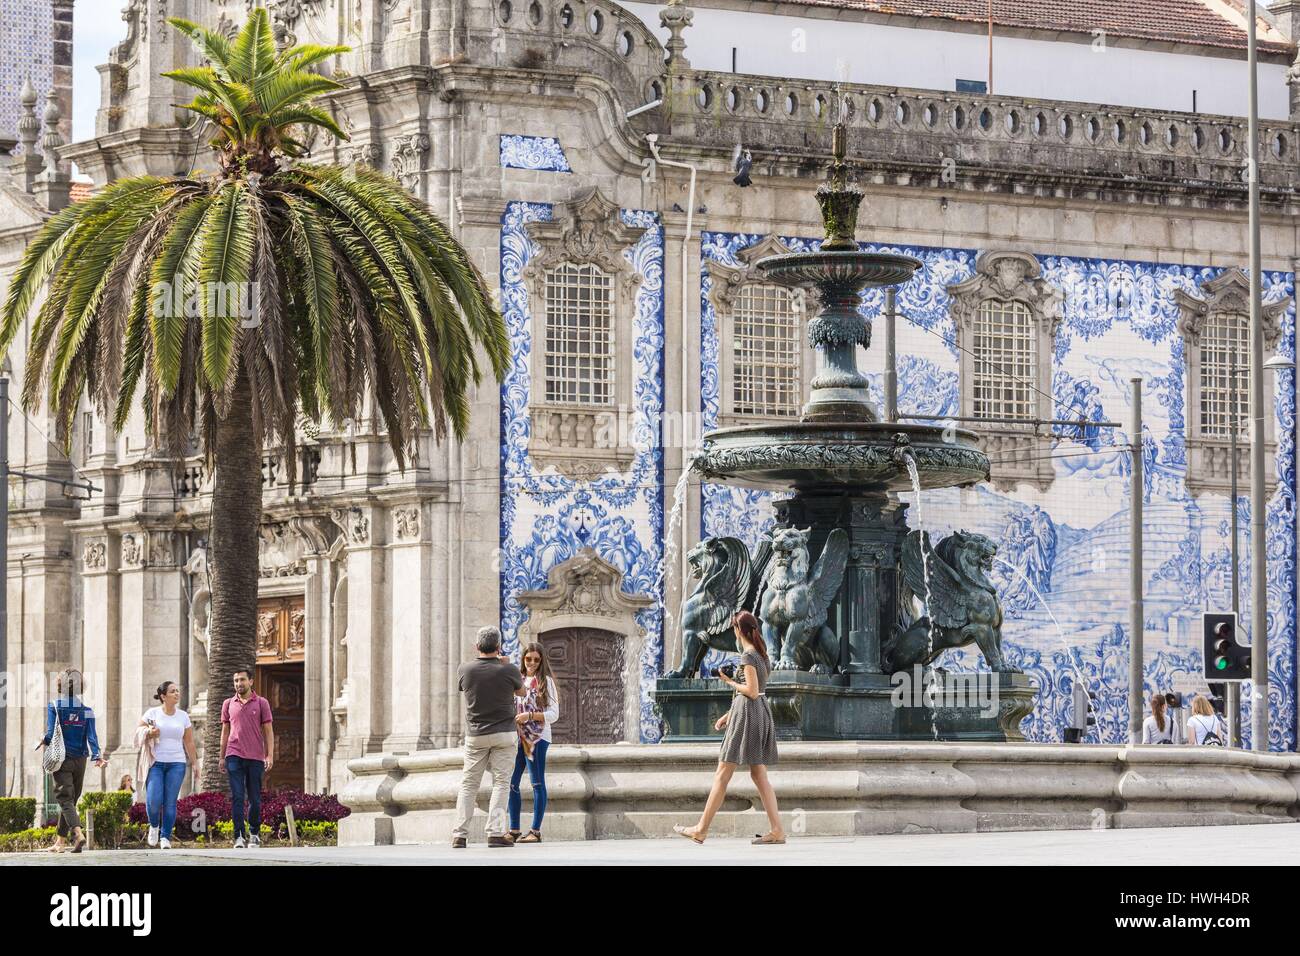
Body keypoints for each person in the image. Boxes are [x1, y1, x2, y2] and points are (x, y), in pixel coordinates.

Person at [674, 611, 784, 846]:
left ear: (737, 630)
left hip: (749, 714)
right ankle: (777, 830)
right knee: (758, 774)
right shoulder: (762, 655)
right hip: (757, 712)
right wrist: (728, 714)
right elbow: (757, 692)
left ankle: (701, 829)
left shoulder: (748, 656)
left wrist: (729, 681)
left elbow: (751, 691)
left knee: (723, 772)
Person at [452, 626, 526, 848]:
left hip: (476, 734)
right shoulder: (509, 669)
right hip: (504, 733)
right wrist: (505, 665)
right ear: (498, 646)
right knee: (501, 783)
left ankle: (459, 835)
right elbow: (521, 692)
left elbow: (464, 688)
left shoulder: (465, 669)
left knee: (468, 784)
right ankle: (495, 833)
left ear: (477, 647)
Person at [38, 669, 106, 853]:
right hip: (81, 760)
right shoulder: (88, 711)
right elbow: (92, 737)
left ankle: (78, 834)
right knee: (70, 801)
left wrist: (42, 740)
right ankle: (60, 843)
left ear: (60, 685)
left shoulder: (54, 706)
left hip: (61, 759)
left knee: (64, 799)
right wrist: (97, 756)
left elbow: (51, 735)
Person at [507, 642, 560, 844]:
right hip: (518, 737)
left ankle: (535, 831)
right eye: (528, 659)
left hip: (537, 737)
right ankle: (514, 829)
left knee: (536, 782)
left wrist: (530, 715)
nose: (532, 663)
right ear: (523, 659)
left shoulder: (546, 682)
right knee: (512, 782)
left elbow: (554, 714)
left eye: (536, 660)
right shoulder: (517, 681)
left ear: (541, 661)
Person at [137, 681, 197, 849]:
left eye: (178, 690)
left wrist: (195, 764)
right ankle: (154, 826)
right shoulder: (152, 713)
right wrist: (149, 732)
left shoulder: (183, 716)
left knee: (170, 802)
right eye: (172, 691)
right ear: (163, 696)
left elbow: (189, 742)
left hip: (177, 763)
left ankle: (165, 837)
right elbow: (138, 731)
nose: (177, 693)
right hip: (156, 762)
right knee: (154, 800)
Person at [220, 669, 274, 848]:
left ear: (251, 681)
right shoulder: (228, 703)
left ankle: (254, 834)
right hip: (233, 754)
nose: (238, 684)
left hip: (255, 757)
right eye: (235, 680)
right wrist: (221, 757)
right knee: (237, 796)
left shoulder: (261, 703)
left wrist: (269, 754)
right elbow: (225, 732)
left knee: (254, 798)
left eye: (242, 680)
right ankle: (238, 836)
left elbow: (268, 731)